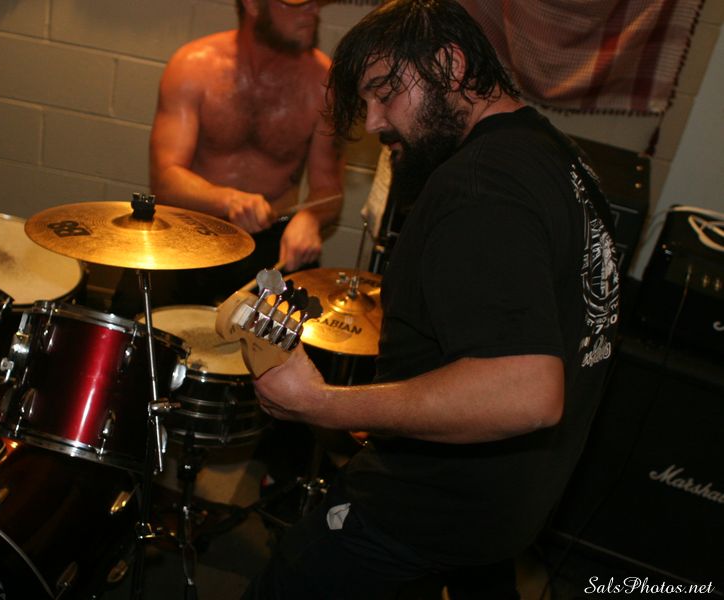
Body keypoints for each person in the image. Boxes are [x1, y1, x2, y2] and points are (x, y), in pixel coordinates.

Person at [244, 0, 621, 597]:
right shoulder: (560, 158)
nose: (374, 122)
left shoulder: (480, 185)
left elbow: (524, 392)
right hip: (504, 510)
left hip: (420, 511)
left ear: (450, 64)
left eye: (384, 92)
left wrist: (321, 404)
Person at [111, 0, 344, 314]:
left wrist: (310, 219)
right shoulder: (193, 66)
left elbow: (329, 191)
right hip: (188, 226)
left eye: (316, 2)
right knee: (133, 316)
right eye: (298, 3)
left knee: (300, 329)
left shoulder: (324, 84)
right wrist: (230, 200)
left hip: (272, 239)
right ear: (253, 4)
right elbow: (165, 179)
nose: (313, 11)